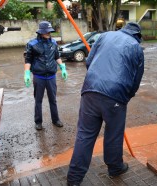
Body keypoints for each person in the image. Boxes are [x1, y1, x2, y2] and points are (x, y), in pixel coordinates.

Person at [67, 22, 144, 186]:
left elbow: (89, 62)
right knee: (114, 134)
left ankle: (74, 179)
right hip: (115, 96)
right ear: (137, 35)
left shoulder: (104, 36)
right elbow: (136, 79)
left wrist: (97, 79)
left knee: (85, 135)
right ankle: (115, 168)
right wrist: (126, 96)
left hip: (89, 90)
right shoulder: (136, 47)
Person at [24, 21, 68, 130]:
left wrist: (62, 67)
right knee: (38, 100)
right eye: (47, 32)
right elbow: (28, 60)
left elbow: (56, 56)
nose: (49, 33)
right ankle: (38, 122)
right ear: (41, 32)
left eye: (50, 31)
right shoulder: (32, 44)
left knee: (53, 99)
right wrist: (27, 73)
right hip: (39, 77)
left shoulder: (53, 43)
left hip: (51, 77)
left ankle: (56, 119)